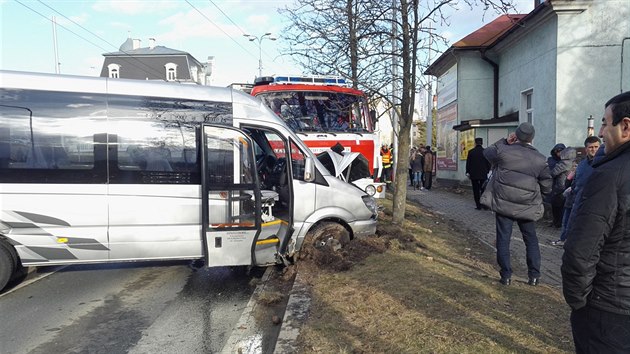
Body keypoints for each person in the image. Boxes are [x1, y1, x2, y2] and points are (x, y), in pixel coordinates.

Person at [561, 91, 630, 353]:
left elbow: (580, 252)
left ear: (625, 126)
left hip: (609, 309)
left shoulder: (610, 176)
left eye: (604, 122)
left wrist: (579, 302)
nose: (600, 132)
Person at [482, 122, 552, 286]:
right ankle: (534, 276)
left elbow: (487, 152)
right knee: (531, 240)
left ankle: (506, 276)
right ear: (532, 138)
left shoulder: (504, 151)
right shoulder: (541, 160)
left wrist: (505, 141)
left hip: (503, 204)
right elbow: (547, 186)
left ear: (516, 135)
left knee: (503, 239)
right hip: (527, 206)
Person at [551, 136, 601, 246]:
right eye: (591, 147)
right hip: (574, 198)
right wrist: (571, 188)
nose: (593, 149)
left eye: (596, 147)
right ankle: (565, 240)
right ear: (586, 149)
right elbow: (576, 180)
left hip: (591, 203)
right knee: (567, 223)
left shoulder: (602, 164)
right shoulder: (582, 164)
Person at [466, 137, 491, 210]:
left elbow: (468, 163)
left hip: (474, 174)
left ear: (475, 143)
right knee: (483, 189)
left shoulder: (471, 152)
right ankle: (484, 205)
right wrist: (487, 170)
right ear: (482, 143)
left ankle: (478, 205)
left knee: (476, 190)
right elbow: (488, 163)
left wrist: (468, 172)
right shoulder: (485, 151)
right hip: (483, 174)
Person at [546, 143, 566, 227]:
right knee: (554, 206)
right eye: (557, 151)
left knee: (562, 206)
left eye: (561, 151)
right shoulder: (551, 160)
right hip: (554, 186)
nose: (559, 153)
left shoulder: (566, 160)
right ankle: (556, 222)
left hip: (563, 186)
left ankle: (560, 223)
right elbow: (552, 171)